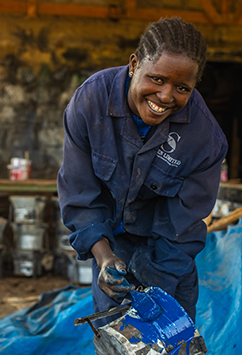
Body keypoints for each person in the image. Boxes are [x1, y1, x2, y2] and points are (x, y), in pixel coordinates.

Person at [57, 17, 228, 328]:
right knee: (116, 347)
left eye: (181, 88)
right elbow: (78, 194)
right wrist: (105, 257)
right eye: (157, 79)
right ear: (134, 64)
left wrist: (155, 295)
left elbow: (182, 229)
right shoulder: (90, 103)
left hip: (169, 261)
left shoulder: (204, 140)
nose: (165, 97)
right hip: (112, 254)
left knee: (168, 351)